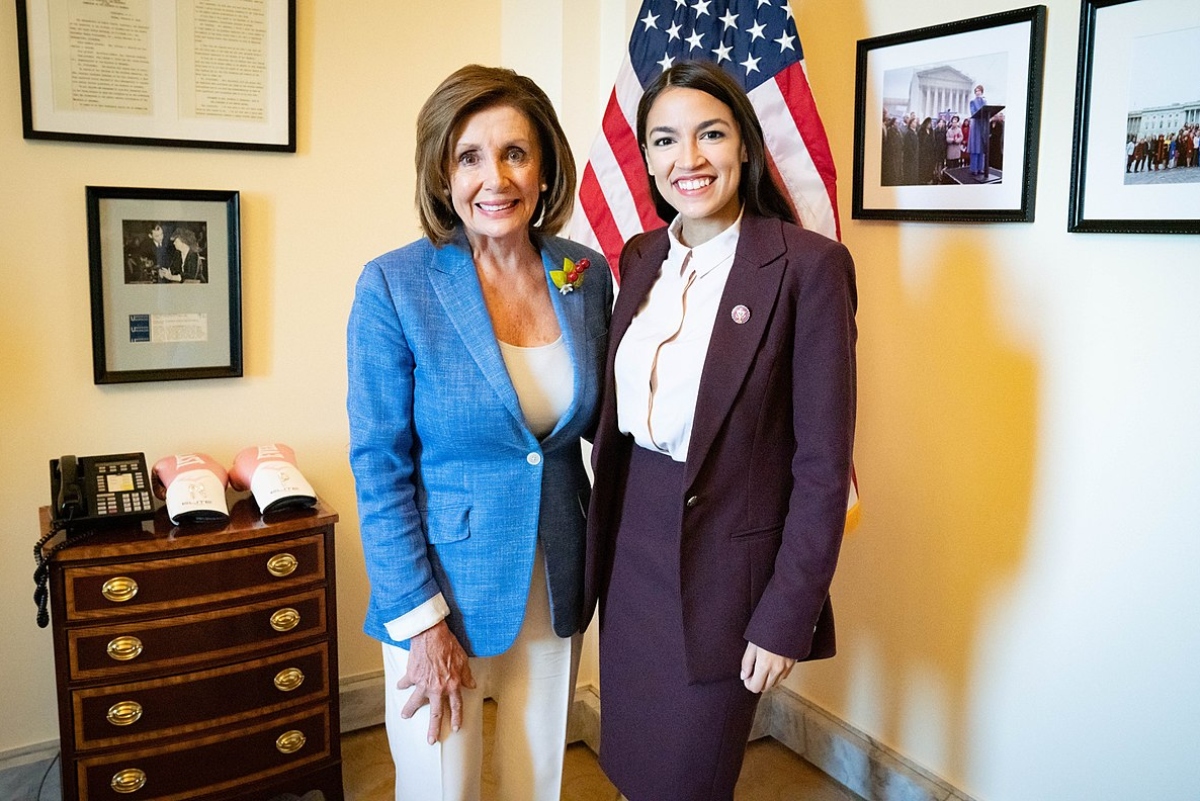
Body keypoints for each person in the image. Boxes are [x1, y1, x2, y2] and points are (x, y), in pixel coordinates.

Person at [584, 60, 857, 801]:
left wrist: (785, 616)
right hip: (631, 545)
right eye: (666, 140)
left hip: (725, 574)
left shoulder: (809, 268)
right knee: (636, 769)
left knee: (689, 778)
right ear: (645, 157)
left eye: (711, 134)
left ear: (745, 146)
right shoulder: (641, 257)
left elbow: (824, 465)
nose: (689, 159)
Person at [346, 64, 612, 801]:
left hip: (555, 571)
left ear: (545, 166)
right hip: (443, 592)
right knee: (441, 788)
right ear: (442, 171)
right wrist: (422, 622)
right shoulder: (395, 285)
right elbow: (379, 465)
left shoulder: (584, 275)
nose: (495, 178)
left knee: (537, 781)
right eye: (470, 156)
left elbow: (607, 429)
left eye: (515, 153)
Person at [968, 84, 988, 176]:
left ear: (982, 92)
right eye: (976, 91)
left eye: (979, 90)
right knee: (975, 147)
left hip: (983, 125)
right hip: (976, 125)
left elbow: (987, 111)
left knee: (981, 148)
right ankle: (974, 169)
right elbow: (973, 112)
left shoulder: (985, 101)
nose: (977, 92)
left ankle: (981, 168)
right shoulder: (972, 102)